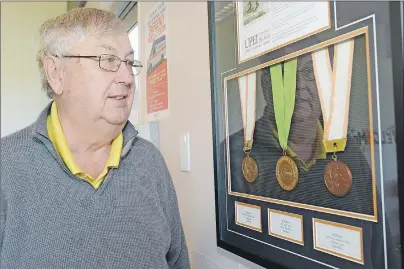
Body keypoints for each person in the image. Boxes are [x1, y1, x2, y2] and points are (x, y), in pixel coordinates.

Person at [0, 8, 189, 269]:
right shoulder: (6, 166)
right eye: (108, 60)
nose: (126, 78)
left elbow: (178, 262)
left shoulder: (150, 161)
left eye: (129, 63)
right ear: (56, 72)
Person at [224, 50, 398, 268]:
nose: (298, 85)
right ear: (266, 85)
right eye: (285, 74)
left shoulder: (348, 152)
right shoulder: (235, 153)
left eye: (309, 71)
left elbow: (380, 248)